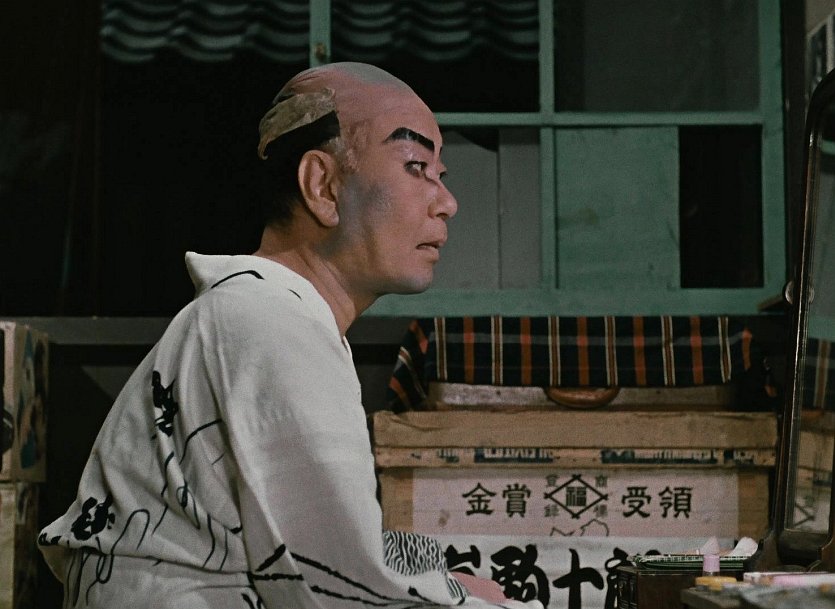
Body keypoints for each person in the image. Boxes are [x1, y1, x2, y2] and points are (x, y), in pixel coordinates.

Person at [38, 62, 543, 609]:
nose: (447, 202)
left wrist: (448, 583)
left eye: (440, 174)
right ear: (322, 185)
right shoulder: (271, 323)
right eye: (416, 166)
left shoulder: (265, 310)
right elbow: (335, 590)